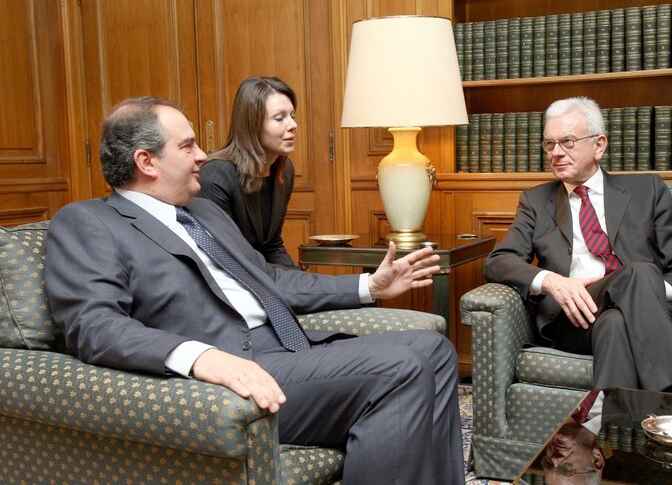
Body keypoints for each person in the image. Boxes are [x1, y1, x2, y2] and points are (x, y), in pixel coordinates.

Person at [44, 97, 464, 485]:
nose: (203, 157)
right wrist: (199, 356)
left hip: (290, 350)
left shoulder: (202, 211)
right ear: (146, 161)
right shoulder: (88, 222)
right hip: (234, 371)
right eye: (188, 147)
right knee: (401, 368)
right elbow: (93, 325)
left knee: (435, 349)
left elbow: (270, 278)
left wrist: (369, 286)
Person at [484, 96, 672, 393]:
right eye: (549, 144)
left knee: (621, 311)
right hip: (574, 318)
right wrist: (554, 282)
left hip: (648, 313)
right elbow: (498, 260)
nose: (556, 152)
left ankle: (605, 432)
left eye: (567, 142)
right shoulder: (536, 201)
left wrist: (643, 292)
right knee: (638, 275)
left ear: (599, 145)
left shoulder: (648, 191)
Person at [198, 76, 299, 269]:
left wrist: (302, 282)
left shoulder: (285, 171)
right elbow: (229, 257)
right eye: (280, 118)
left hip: (262, 273)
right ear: (252, 125)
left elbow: (272, 244)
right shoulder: (216, 175)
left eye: (292, 116)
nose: (293, 125)